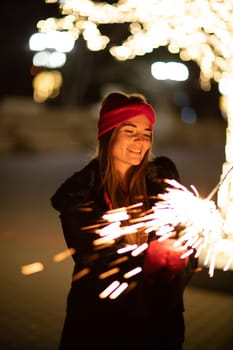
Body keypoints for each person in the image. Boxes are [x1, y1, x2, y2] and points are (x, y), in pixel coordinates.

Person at [51, 91, 197, 349]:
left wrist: (180, 258)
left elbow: (188, 244)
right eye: (130, 131)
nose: (140, 141)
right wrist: (149, 263)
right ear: (109, 135)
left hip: (159, 326)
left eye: (147, 133)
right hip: (100, 326)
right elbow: (98, 262)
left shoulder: (162, 183)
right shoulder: (80, 196)